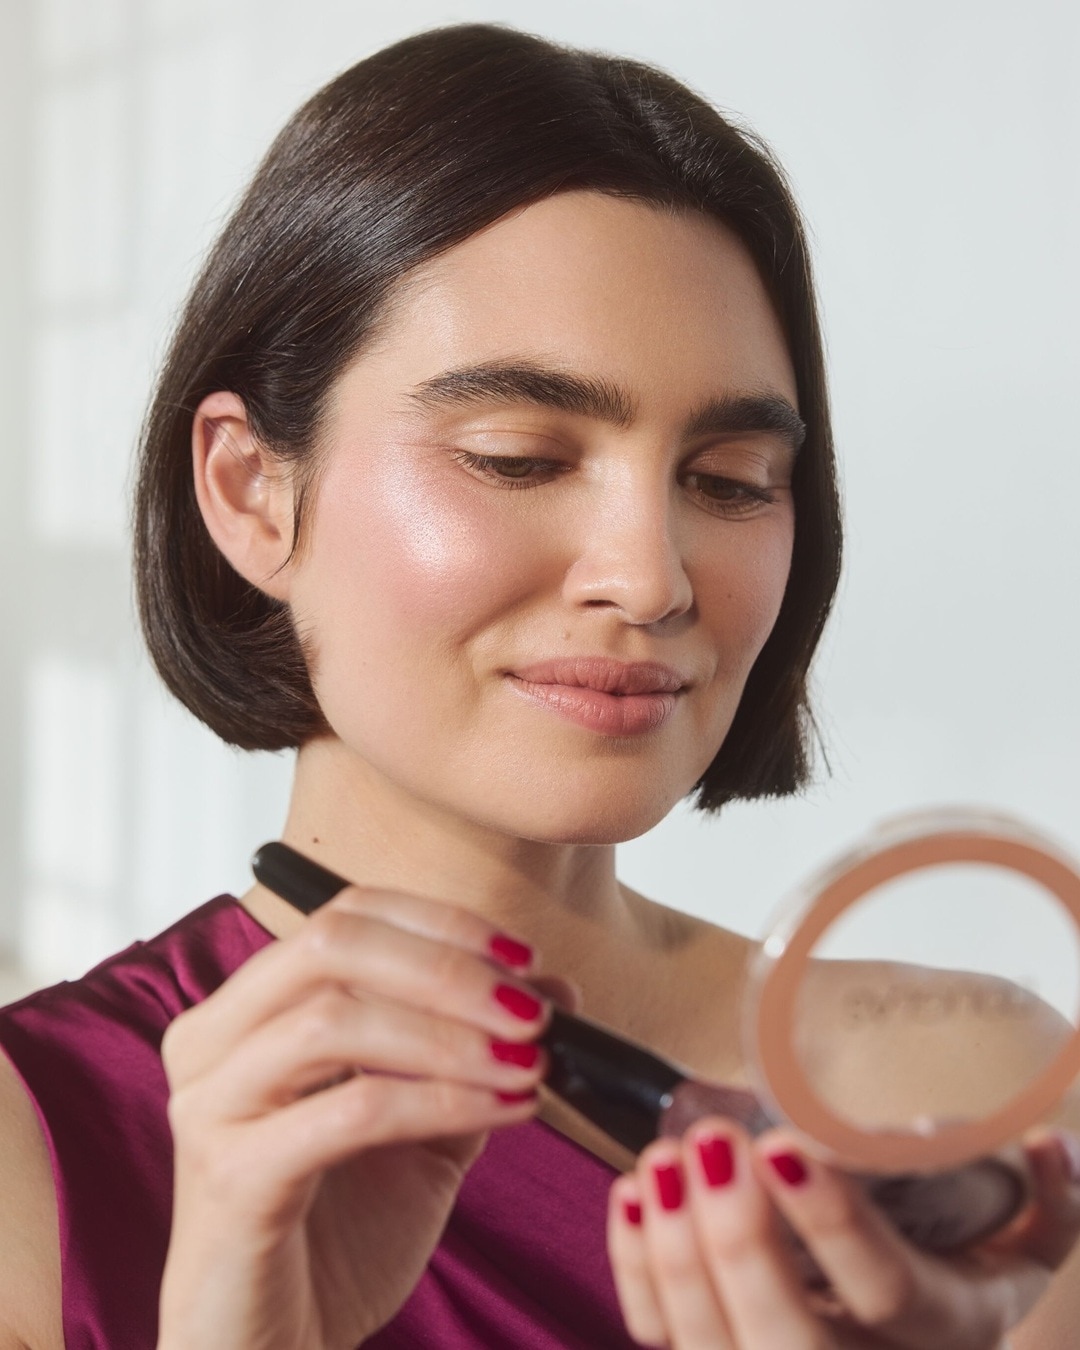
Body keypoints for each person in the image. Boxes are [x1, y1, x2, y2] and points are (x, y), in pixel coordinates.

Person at [1, 21, 1078, 1350]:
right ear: (249, 489)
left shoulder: (982, 1109)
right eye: (518, 456)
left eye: (731, 481)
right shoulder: (35, 1144)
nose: (650, 577)